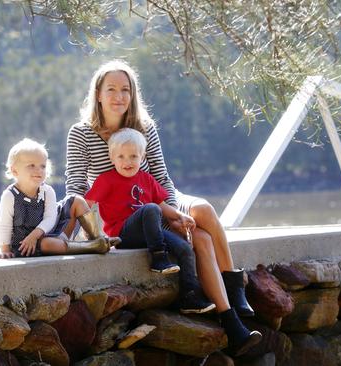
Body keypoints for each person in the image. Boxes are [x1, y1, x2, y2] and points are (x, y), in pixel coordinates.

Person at [65, 60, 261, 356]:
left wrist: (172, 214)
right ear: (98, 94)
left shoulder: (144, 127)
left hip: (158, 200)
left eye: (125, 90)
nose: (119, 97)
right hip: (123, 215)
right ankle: (231, 321)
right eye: (112, 89)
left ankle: (234, 288)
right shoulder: (81, 132)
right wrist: (89, 233)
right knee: (202, 240)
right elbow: (75, 189)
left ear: (133, 94)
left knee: (204, 211)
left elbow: (161, 175)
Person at [86, 128, 216, 314]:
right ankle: (158, 258)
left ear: (143, 157)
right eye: (121, 156)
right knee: (150, 209)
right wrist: (87, 234)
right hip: (123, 234)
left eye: (133, 156)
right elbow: (86, 205)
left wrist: (179, 216)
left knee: (184, 248)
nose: (127, 162)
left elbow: (162, 205)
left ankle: (190, 296)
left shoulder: (146, 179)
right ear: (111, 157)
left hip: (150, 233)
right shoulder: (106, 180)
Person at [0, 138, 119, 259]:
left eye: (43, 166)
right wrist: (5, 249)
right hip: (29, 244)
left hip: (52, 232)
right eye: (31, 165)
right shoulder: (10, 196)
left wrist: (36, 234)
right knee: (47, 244)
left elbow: (50, 218)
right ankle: (92, 247)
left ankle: (99, 238)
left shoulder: (47, 191)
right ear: (14, 170)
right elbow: (5, 225)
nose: (38, 170)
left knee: (76, 200)